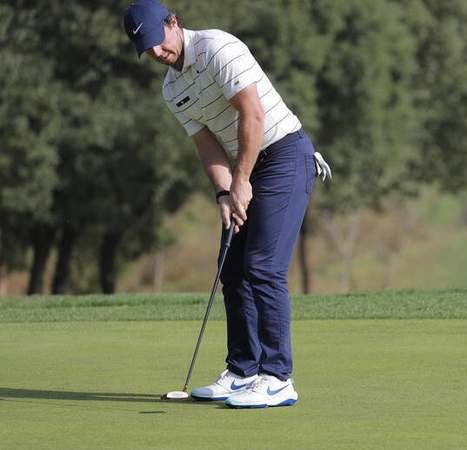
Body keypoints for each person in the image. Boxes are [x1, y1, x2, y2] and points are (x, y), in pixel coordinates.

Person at [123, 0, 331, 409]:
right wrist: (225, 193)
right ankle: (242, 371)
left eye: (158, 43)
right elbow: (207, 146)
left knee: (263, 266)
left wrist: (241, 182)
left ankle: (277, 377)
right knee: (233, 269)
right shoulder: (171, 88)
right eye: (147, 50)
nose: (157, 54)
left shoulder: (218, 47)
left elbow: (251, 116)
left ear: (174, 23)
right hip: (244, 167)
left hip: (285, 155)